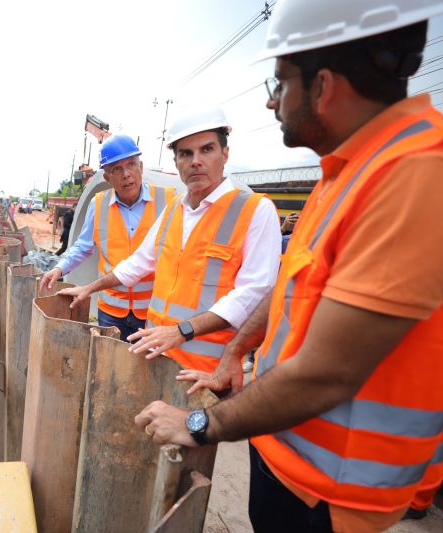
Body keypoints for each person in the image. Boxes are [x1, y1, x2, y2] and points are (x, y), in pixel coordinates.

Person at [143, 2, 443, 532]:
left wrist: (198, 424)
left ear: (324, 86)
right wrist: (236, 351)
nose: (270, 100)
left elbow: (329, 372)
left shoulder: (415, 176)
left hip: (333, 495)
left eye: (281, 82)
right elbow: (287, 286)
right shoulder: (347, 172)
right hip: (285, 459)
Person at [59, 106, 281, 374]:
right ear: (176, 162)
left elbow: (254, 293)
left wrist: (182, 331)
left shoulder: (255, 210)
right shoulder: (175, 209)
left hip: (207, 371)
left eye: (206, 149)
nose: (195, 161)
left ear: (225, 153)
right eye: (185, 153)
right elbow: (137, 263)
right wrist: (89, 288)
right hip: (158, 357)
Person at [40, 135, 177, 341]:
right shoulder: (98, 205)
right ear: (107, 178)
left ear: (141, 166)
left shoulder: (168, 200)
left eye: (131, 165)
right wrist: (60, 268)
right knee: (110, 368)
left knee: (144, 370)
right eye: (117, 169)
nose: (126, 174)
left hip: (152, 310)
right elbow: (83, 246)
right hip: (111, 311)